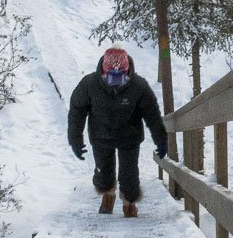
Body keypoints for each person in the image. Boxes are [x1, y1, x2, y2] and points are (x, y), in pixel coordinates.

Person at [68, 45, 168, 217]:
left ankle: (129, 203)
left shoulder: (139, 86)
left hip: (129, 137)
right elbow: (77, 110)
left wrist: (161, 138)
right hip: (101, 136)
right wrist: (75, 139)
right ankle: (108, 194)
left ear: (127, 72)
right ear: (103, 71)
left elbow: (152, 113)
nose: (115, 81)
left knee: (129, 177)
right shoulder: (89, 84)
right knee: (104, 174)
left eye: (120, 77)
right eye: (111, 77)